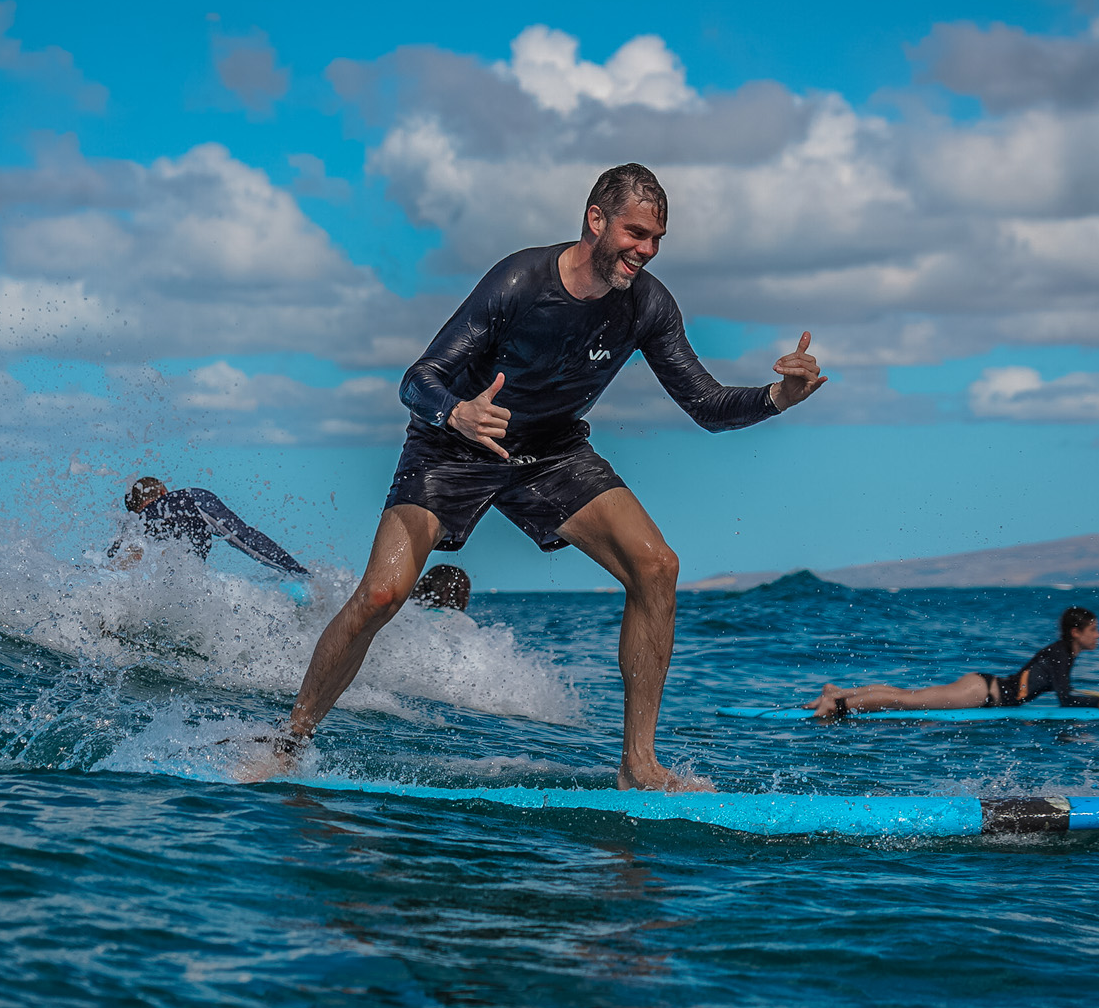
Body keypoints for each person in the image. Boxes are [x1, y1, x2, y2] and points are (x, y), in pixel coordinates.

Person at [271, 162, 826, 790]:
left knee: (657, 565)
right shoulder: (518, 281)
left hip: (552, 450)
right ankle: (287, 741)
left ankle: (638, 766)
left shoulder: (649, 306)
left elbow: (705, 406)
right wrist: (458, 411)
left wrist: (779, 397)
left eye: (656, 241)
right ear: (596, 220)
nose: (645, 252)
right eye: (636, 233)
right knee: (381, 595)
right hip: (454, 442)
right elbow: (416, 380)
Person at [806, 607, 1099, 719]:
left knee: (907, 694)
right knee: (906, 700)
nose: (1098, 635)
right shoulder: (1059, 654)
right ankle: (839, 705)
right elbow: (1066, 699)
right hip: (982, 693)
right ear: (1076, 632)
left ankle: (839, 693)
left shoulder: (1062, 654)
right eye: (1093, 629)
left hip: (984, 687)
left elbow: (1064, 691)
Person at [108, 476, 308, 575]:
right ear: (162, 492)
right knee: (243, 537)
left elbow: (115, 560)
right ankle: (297, 573)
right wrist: (296, 571)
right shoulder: (182, 499)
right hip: (196, 501)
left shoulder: (135, 521)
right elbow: (245, 538)